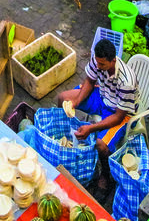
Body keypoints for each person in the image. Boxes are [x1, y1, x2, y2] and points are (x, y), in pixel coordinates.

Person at [57, 38, 138, 192]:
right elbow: (89, 80)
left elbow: (119, 117)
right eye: (97, 63)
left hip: (118, 111)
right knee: (63, 98)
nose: (99, 66)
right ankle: (65, 136)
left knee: (101, 145)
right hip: (102, 95)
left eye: (103, 65)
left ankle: (106, 174)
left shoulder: (126, 81)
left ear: (113, 60)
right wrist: (76, 102)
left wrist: (91, 128)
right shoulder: (98, 60)